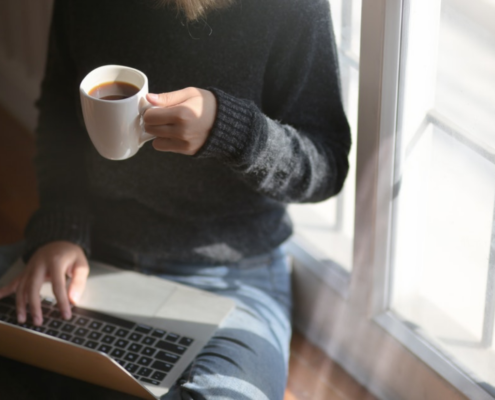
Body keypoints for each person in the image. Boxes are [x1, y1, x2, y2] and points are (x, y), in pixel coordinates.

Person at [0, 0, 351, 398]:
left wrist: (235, 132)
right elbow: (60, 118)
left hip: (231, 279)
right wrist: (59, 230)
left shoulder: (292, 9)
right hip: (94, 253)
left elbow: (327, 166)